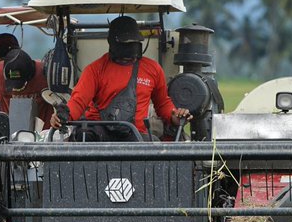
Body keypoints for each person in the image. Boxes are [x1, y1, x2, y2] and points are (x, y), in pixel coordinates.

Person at [51, 15, 191, 140]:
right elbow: (78, 102)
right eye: (125, 43)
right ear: (112, 43)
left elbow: (162, 104)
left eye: (133, 43)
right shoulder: (95, 70)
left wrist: (176, 116)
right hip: (99, 133)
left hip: (135, 135)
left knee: (152, 144)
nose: (130, 48)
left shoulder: (153, 69)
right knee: (84, 136)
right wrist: (62, 116)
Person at [0, 47, 52, 129]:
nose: (16, 89)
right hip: (10, 133)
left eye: (20, 83)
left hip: (43, 134)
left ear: (30, 75)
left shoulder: (45, 73)